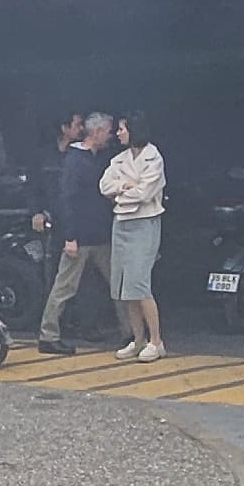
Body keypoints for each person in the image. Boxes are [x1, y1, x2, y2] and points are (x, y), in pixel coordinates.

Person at [39, 111, 116, 355]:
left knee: (119, 284)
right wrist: (70, 236)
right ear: (97, 132)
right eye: (108, 131)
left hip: (100, 234)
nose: (111, 135)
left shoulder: (96, 157)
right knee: (65, 287)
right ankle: (48, 335)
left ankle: (131, 332)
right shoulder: (75, 160)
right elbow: (67, 200)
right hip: (80, 237)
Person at [101, 110, 170, 361]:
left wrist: (121, 193)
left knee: (140, 283)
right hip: (121, 222)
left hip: (145, 222)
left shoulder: (154, 158)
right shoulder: (119, 159)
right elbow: (104, 185)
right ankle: (137, 339)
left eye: (122, 128)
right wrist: (125, 186)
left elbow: (145, 193)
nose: (118, 133)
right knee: (125, 285)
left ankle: (156, 340)